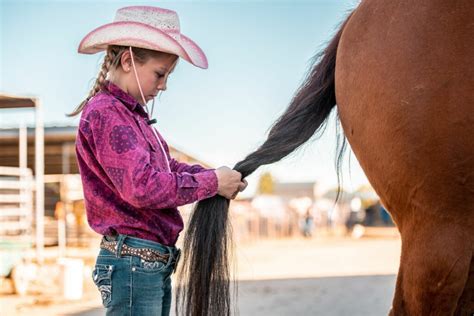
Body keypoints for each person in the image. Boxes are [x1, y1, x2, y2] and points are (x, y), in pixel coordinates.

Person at [70, 6, 247, 315]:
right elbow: (142, 186)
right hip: (133, 264)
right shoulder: (107, 113)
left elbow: (168, 168)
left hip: (143, 263)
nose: (163, 85)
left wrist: (215, 177)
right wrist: (213, 182)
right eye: (160, 74)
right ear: (127, 61)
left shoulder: (131, 117)